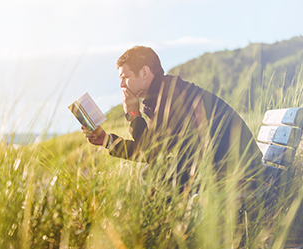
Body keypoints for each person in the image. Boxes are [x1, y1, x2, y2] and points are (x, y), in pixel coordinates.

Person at [83, 46, 263, 186]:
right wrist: (106, 140)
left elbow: (151, 153)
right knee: (153, 171)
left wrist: (134, 114)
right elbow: (152, 150)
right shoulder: (163, 94)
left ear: (145, 72)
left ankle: (177, 232)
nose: (121, 84)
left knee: (155, 173)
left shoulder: (171, 96)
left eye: (125, 77)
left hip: (239, 171)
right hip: (224, 165)